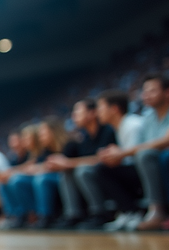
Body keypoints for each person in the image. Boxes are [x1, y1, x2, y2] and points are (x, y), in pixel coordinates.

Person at [100, 76, 169, 230]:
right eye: (144, 91)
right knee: (148, 156)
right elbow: (145, 146)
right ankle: (168, 211)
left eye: (151, 91)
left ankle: (159, 210)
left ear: (168, 92)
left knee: (163, 155)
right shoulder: (149, 118)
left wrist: (123, 153)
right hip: (168, 162)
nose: (145, 95)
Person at [44, 99, 117, 229]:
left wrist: (68, 163)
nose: (73, 116)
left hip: (112, 173)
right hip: (99, 174)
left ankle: (99, 212)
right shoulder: (85, 137)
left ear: (92, 113)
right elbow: (86, 159)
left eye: (78, 112)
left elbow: (101, 158)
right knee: (68, 172)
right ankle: (73, 215)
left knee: (82, 170)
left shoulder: (107, 131)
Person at [88, 90, 146, 231]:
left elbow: (137, 158)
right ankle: (126, 212)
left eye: (100, 107)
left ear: (114, 109)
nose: (97, 112)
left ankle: (132, 212)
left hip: (146, 172)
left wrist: (114, 156)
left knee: (103, 170)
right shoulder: (119, 127)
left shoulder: (132, 125)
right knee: (103, 168)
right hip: (139, 170)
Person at [9, 118, 68, 229]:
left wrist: (38, 168)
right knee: (18, 180)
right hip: (50, 176)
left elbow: (43, 165)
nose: (23, 141)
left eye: (26, 137)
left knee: (39, 179)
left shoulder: (65, 145)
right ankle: (24, 214)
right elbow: (33, 165)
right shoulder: (40, 152)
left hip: (61, 176)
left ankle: (43, 215)